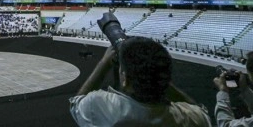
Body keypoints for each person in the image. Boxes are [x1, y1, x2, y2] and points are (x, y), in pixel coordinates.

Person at [69, 36, 211, 126]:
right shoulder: (190, 118)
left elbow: (76, 102)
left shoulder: (102, 107)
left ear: (125, 80)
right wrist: (157, 75)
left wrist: (104, 62)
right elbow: (201, 113)